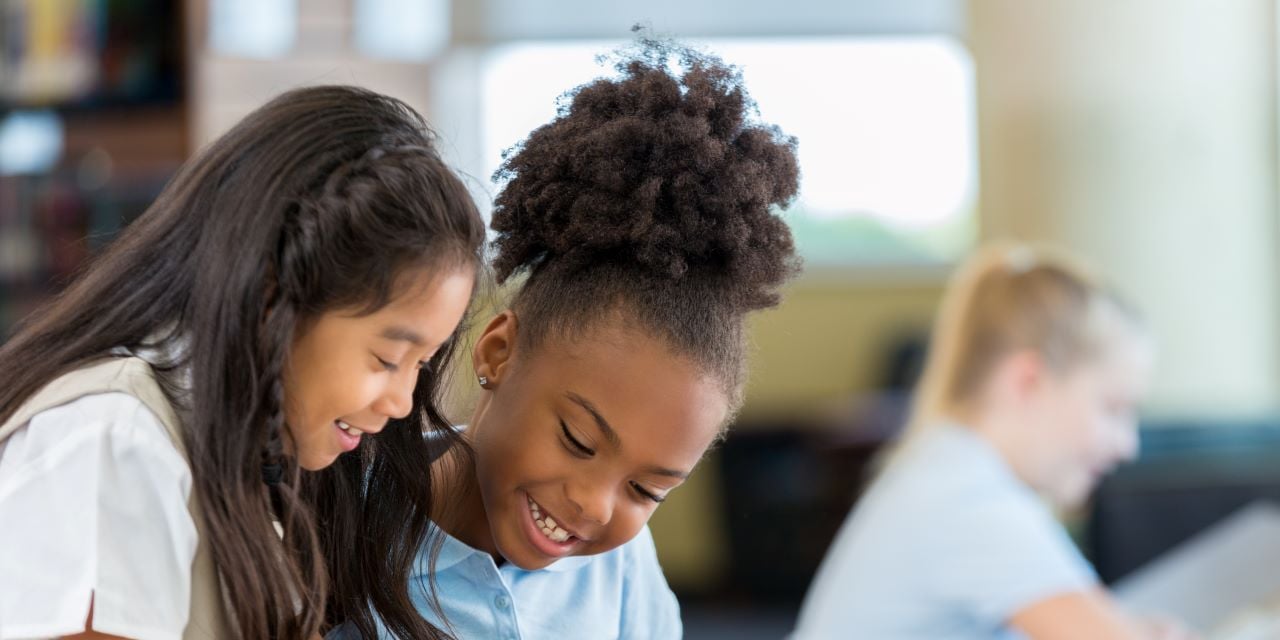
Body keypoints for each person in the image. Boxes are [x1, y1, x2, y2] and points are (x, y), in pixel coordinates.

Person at [333, 38, 802, 639]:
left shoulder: (622, 566)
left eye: (645, 488)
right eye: (579, 441)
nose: (595, 506)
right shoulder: (341, 521)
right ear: (498, 352)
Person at [0, 85, 486, 640]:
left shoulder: (237, 460)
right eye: (387, 358)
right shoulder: (114, 442)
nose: (401, 403)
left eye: (420, 365)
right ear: (272, 295)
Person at [792, 244, 1195, 639]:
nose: (1128, 445)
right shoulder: (971, 502)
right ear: (1029, 382)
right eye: (1112, 408)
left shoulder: (945, 466)